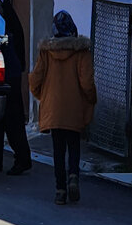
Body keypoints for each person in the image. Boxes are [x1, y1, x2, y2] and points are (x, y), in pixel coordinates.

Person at [29, 11, 96, 205]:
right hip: (74, 107)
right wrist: (91, 100)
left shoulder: (46, 52)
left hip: (53, 108)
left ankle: (60, 190)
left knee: (58, 150)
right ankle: (73, 175)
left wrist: (43, 97)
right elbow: (87, 83)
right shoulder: (82, 53)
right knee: (74, 145)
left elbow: (36, 79)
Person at [0, 0, 32, 176]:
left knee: (9, 119)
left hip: (4, 71)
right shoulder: (4, 15)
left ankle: (21, 159)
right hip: (10, 71)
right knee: (3, 118)